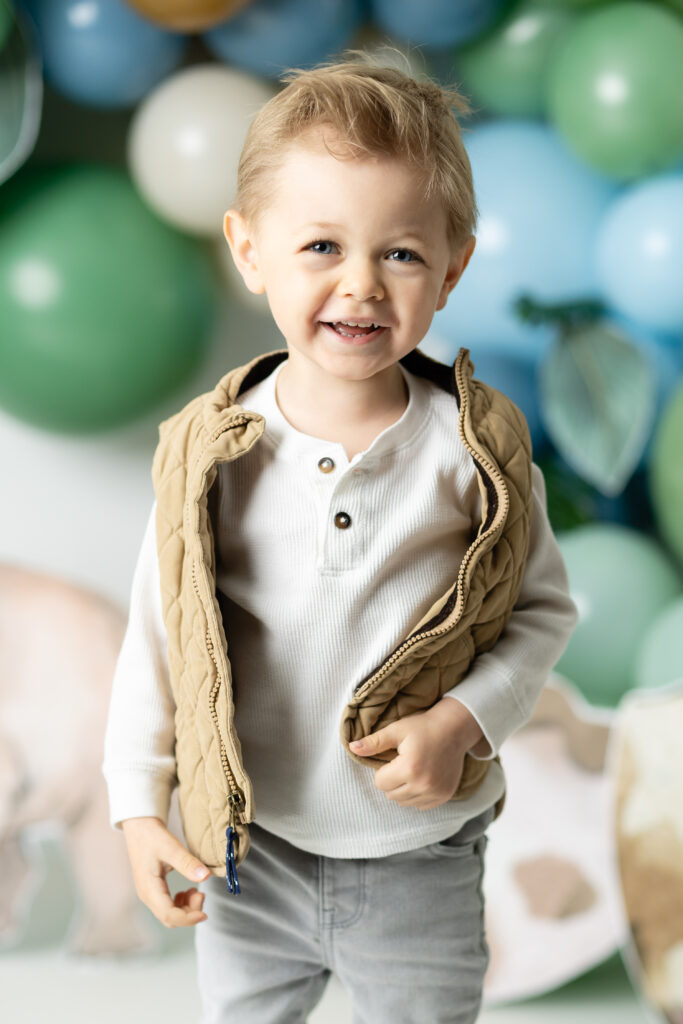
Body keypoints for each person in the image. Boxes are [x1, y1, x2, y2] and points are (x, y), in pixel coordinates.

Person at [102, 54, 579, 1024]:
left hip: (416, 854)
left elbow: (538, 609)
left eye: (399, 253)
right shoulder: (215, 451)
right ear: (248, 248)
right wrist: (136, 802)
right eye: (320, 246)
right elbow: (162, 630)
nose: (359, 285)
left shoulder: (471, 452)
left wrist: (461, 722)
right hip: (250, 848)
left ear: (450, 268)